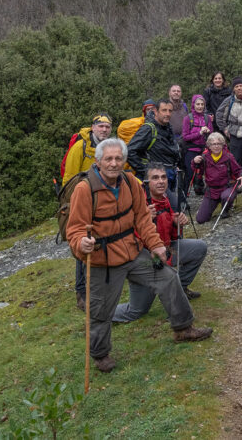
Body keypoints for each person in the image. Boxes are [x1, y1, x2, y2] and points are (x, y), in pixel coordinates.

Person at [67, 139, 212, 373]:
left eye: (118, 159)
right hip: (103, 260)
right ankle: (101, 355)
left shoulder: (130, 182)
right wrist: (80, 243)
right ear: (99, 161)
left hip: (135, 252)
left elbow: (143, 218)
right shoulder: (84, 190)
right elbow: (74, 229)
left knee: (168, 277)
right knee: (100, 309)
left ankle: (183, 328)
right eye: (109, 159)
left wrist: (155, 245)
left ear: (124, 161)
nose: (114, 163)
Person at [113, 164, 208, 323]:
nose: (161, 181)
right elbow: (125, 237)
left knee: (199, 247)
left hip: (166, 249)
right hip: (143, 258)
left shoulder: (165, 199)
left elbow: (172, 236)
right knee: (136, 310)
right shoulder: (136, 202)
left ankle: (180, 291)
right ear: (146, 182)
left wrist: (177, 222)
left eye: (163, 177)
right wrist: (143, 221)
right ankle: (100, 313)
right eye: (155, 178)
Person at [64, 113, 113, 311]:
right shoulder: (79, 148)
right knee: (83, 247)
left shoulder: (111, 146)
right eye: (100, 126)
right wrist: (71, 205)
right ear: (92, 128)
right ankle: (81, 293)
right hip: (82, 203)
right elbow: (69, 178)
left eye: (107, 127)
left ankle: (101, 286)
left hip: (103, 202)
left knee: (103, 243)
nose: (103, 130)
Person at [127, 98, 183, 211]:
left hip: (169, 175)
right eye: (164, 110)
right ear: (156, 111)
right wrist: (146, 171)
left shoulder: (167, 127)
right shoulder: (148, 128)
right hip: (156, 178)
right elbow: (129, 151)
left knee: (166, 211)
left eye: (170, 111)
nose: (167, 114)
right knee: (174, 208)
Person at [193, 132, 242, 223]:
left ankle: (225, 209)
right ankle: (217, 203)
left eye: (219, 144)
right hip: (211, 191)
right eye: (213, 144)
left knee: (226, 197)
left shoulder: (228, 157)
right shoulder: (204, 158)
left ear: (223, 145)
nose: (216, 146)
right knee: (201, 219)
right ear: (209, 146)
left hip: (226, 187)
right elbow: (197, 170)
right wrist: (194, 162)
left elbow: (238, 171)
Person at [181, 94, 213, 192]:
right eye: (197, 104)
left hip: (204, 149)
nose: (200, 106)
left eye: (202, 104)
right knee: (189, 174)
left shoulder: (207, 118)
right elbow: (185, 137)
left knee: (208, 172)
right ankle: (183, 199)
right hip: (191, 150)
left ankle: (207, 193)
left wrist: (208, 132)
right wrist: (199, 133)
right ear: (193, 105)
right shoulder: (188, 118)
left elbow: (212, 135)